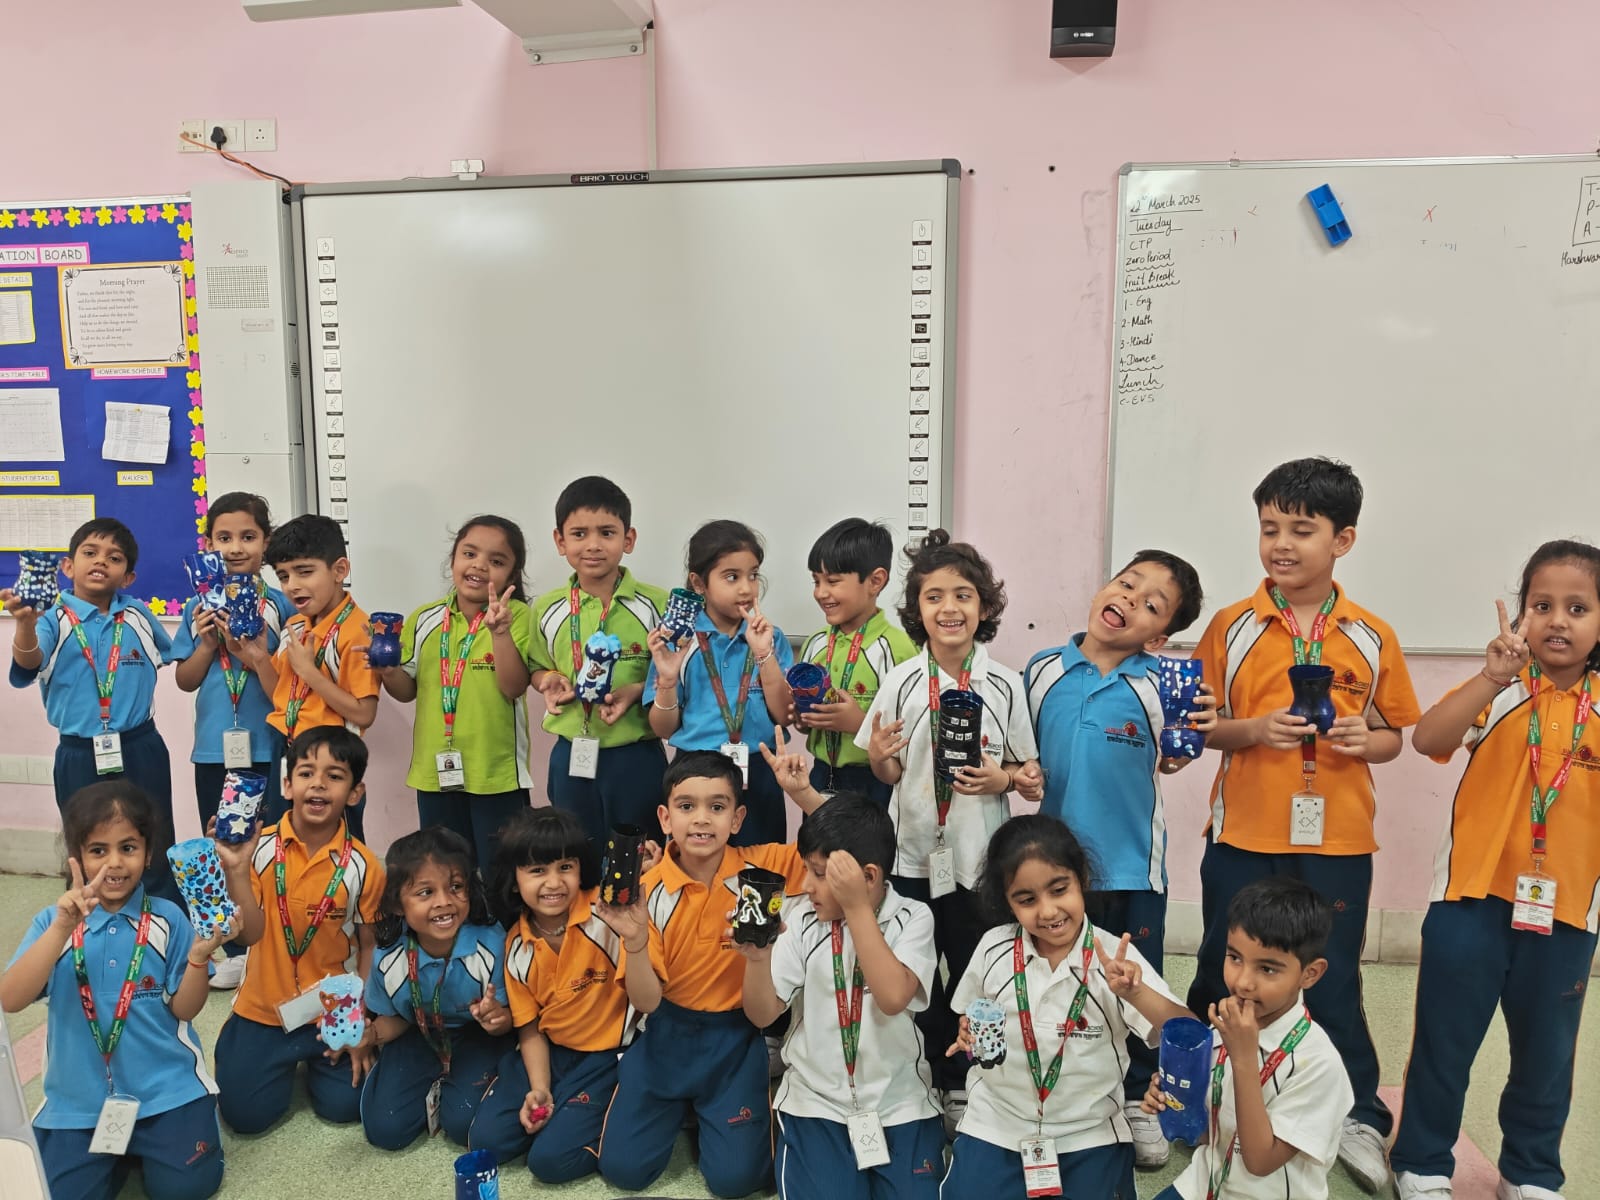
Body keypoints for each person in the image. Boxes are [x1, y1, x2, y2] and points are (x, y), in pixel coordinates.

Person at [1187, 457, 1419, 1192]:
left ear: (1342, 539)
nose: (1281, 544)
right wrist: (1253, 729)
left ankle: (1355, 1114)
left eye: (1301, 529)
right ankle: (1202, 1091)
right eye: (1269, 528)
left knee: (1335, 974)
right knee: (1221, 967)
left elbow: (1394, 735)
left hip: (1338, 840)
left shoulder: (1372, 634)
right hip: (1243, 835)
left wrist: (1364, 741)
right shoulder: (1232, 626)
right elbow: (1203, 728)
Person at [1389, 540, 1600, 1200]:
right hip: (1469, 901)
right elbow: (1429, 739)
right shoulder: (1501, 689)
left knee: (1548, 1055)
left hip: (1568, 912)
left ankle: (1530, 1171)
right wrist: (1490, 676)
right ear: (1520, 613)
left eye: (1578, 608)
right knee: (1445, 1042)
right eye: (1542, 605)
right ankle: (1422, 1162)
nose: (1557, 621)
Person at [1019, 549, 1215, 1167]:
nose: (1131, 599)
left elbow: (1175, 754)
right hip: (1055, 871)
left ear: (1158, 637)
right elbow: (1020, 750)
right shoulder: (1041, 669)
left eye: (1151, 604)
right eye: (1127, 584)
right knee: (1056, 977)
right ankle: (1058, 1087)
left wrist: (1194, 734)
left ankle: (1138, 1098)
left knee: (1134, 983)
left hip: (1133, 867)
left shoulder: (1161, 684)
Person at [855, 529, 1038, 1128]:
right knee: (914, 968)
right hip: (911, 856)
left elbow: (1024, 770)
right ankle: (919, 1068)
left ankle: (967, 1078)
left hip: (980, 862)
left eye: (963, 595)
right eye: (934, 597)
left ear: (984, 607)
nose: (949, 608)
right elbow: (887, 771)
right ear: (917, 610)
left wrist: (1002, 780)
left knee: (973, 969)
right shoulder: (902, 681)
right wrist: (879, 756)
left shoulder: (1005, 684)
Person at [941, 814, 1192, 1199]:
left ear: (1082, 879)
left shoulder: (1114, 959)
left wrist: (1136, 993)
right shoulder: (993, 948)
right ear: (1007, 901)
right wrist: (968, 1032)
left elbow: (1190, 1032)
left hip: (1088, 1131)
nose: (1047, 912)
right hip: (997, 1122)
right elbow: (971, 1012)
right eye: (1026, 900)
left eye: (1059, 890)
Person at [596, 751, 812, 1198]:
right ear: (665, 817)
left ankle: (707, 1110)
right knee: (624, 1171)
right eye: (686, 806)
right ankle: (685, 1107)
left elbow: (843, 845)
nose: (701, 819)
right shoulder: (647, 890)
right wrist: (633, 942)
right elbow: (646, 1002)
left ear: (737, 819)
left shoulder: (763, 869)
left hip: (734, 1039)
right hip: (665, 1034)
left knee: (738, 1181)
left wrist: (802, 794)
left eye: (717, 806)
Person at [0, 782, 230, 1200]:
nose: (114, 863)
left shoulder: (168, 919)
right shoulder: (53, 923)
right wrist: (62, 928)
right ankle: (117, 1155)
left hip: (166, 1091)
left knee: (185, 1189)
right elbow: (10, 999)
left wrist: (198, 959)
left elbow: (185, 1010)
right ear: (77, 857)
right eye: (98, 850)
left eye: (128, 847)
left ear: (148, 852)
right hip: (78, 1104)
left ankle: (169, 1133)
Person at [739, 791, 944, 1200]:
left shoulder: (912, 917)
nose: (805, 886)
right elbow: (762, 1015)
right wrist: (758, 959)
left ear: (868, 877)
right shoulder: (802, 921)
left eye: (819, 874)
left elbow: (892, 997)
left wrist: (856, 908)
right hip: (817, 1102)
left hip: (901, 1101)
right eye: (806, 870)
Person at [212, 726, 384, 1133]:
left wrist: (358, 1018)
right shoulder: (258, 849)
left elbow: (368, 946)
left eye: (335, 776)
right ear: (287, 785)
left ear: (355, 793)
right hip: (263, 1008)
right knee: (246, 1118)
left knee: (347, 1106)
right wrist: (235, 869)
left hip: (332, 1008)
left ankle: (314, 1059)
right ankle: (242, 1042)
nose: (318, 784)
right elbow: (247, 936)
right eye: (306, 773)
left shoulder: (365, 866)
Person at [471, 808, 650, 1183]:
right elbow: (529, 1027)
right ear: (514, 880)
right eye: (537, 870)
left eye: (565, 867)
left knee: (550, 1162)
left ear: (581, 870)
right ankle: (563, 1107)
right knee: (486, 1142)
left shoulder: (607, 915)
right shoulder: (516, 943)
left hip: (608, 1057)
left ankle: (611, 1115)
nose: (553, 882)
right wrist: (539, 1088)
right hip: (553, 1053)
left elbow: (647, 996)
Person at [1145, 876, 1353, 1200]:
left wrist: (1243, 1058)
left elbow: (1260, 1161)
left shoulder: (1319, 1065)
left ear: (1310, 974)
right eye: (1235, 957)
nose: (1243, 982)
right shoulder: (1224, 1029)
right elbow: (1208, 1133)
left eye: (1267, 969)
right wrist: (1172, 1102)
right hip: (1206, 1184)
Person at [5, 518, 176, 899]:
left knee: (153, 835)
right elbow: (28, 664)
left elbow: (177, 657)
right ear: (68, 566)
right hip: (79, 752)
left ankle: (159, 919)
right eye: (90, 552)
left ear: (128, 577)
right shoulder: (52, 619)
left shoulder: (137, 615)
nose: (101, 561)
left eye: (114, 558)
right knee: (86, 840)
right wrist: (25, 625)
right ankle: (86, 918)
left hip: (140, 747)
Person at [171, 491, 292, 989]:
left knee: (266, 851)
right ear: (208, 544)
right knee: (223, 846)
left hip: (268, 748)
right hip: (213, 750)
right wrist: (206, 644)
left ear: (266, 542)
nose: (236, 547)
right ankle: (238, 950)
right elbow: (185, 680)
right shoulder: (198, 606)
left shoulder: (282, 605)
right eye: (224, 537)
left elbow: (287, 691)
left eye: (248, 536)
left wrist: (252, 653)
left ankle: (275, 946)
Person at [374, 515, 533, 867]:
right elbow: (407, 691)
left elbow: (513, 688)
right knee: (446, 872)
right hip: (435, 773)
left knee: (501, 875)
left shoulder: (518, 616)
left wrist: (500, 633)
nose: (479, 566)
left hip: (497, 775)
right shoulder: (424, 619)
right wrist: (389, 672)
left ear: (512, 575)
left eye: (496, 561)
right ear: (453, 560)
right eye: (469, 554)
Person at [523, 476, 670, 841]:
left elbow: (676, 673)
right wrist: (546, 681)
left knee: (640, 855)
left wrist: (637, 690)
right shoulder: (546, 608)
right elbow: (537, 667)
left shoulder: (658, 604)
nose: (593, 545)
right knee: (574, 853)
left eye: (606, 533)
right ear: (560, 541)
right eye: (579, 534)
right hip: (571, 752)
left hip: (636, 754)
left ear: (628, 539)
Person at [359, 826, 513, 1151]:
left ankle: (460, 1089)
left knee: (463, 1123)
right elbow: (395, 1019)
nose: (444, 902)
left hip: (476, 1035)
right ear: (397, 904)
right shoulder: (388, 957)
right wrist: (371, 1036)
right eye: (425, 892)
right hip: (418, 1032)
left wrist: (498, 1020)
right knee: (385, 1130)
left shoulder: (491, 943)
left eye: (456, 887)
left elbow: (508, 1019)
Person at [645, 520, 796, 845]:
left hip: (759, 770)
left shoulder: (771, 637)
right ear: (699, 583)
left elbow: (784, 716)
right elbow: (663, 728)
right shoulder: (679, 641)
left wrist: (764, 654)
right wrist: (667, 682)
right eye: (731, 577)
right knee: (699, 866)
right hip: (694, 771)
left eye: (753, 575)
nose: (746, 588)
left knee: (760, 866)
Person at [262, 514, 380, 838]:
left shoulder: (357, 631)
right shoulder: (295, 625)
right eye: (283, 576)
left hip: (332, 757)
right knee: (285, 841)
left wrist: (309, 672)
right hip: (287, 746)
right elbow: (280, 694)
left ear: (339, 570)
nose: (292, 585)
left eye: (305, 572)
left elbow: (364, 713)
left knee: (337, 846)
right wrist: (256, 657)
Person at [797, 518, 918, 809]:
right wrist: (802, 719)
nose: (821, 592)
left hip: (876, 781)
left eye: (832, 581)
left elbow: (914, 733)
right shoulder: (815, 643)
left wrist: (859, 724)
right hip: (821, 775)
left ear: (875, 581)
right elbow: (806, 726)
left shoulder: (899, 649)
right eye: (816, 581)